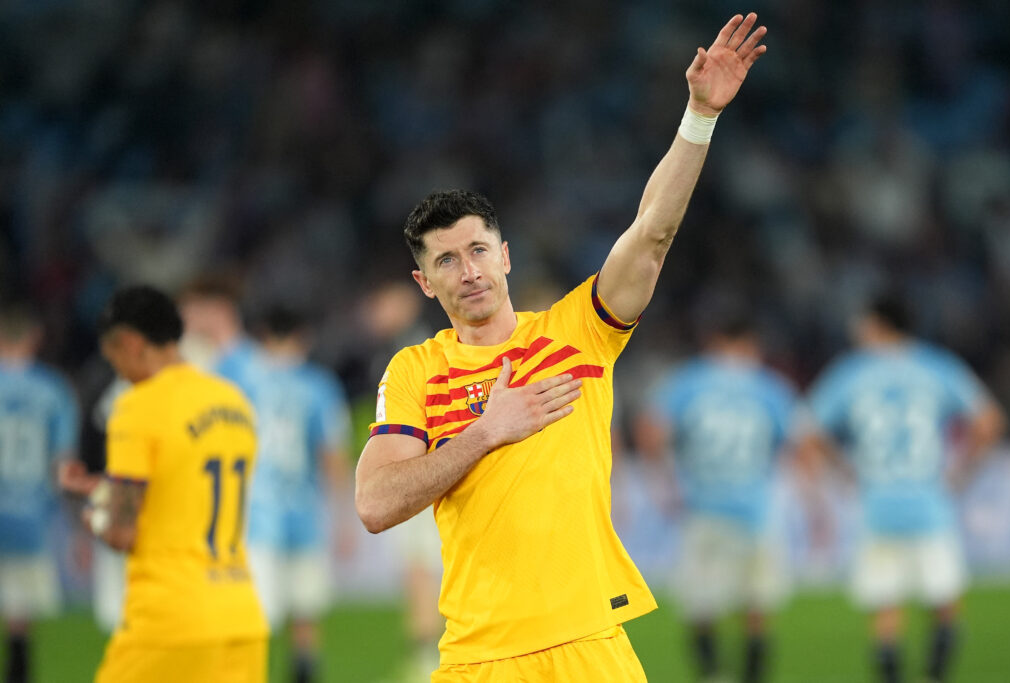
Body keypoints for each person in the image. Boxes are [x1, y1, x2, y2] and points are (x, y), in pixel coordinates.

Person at [354, 13, 768, 681]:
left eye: (479, 250)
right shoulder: (415, 369)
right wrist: (485, 432)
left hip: (587, 645)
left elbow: (651, 234)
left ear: (506, 255)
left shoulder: (578, 331)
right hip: (477, 657)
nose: (470, 271)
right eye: (447, 261)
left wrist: (699, 116)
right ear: (423, 282)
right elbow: (375, 504)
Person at [58, 285, 268, 683]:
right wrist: (105, 487)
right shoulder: (232, 402)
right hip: (241, 618)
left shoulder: (137, 407)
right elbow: (185, 487)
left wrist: (93, 515)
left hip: (171, 622)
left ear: (132, 343)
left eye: (113, 356)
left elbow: (121, 531)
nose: (117, 370)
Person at [802, 293, 1006, 683]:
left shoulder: (852, 372)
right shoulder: (937, 366)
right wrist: (961, 472)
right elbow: (989, 422)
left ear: (877, 323)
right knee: (945, 604)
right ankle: (935, 676)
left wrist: (845, 470)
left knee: (886, 611)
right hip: (930, 501)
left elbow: (808, 434)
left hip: (878, 504)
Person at [640, 308, 799, 683]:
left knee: (701, 605)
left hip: (703, 508)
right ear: (751, 344)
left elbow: (650, 431)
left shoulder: (689, 381)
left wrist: (666, 478)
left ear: (715, 342)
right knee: (757, 606)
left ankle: (713, 674)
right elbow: (800, 440)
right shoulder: (769, 386)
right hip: (754, 510)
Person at [244, 305, 352, 683]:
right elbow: (332, 456)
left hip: (255, 517)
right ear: (303, 337)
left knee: (254, 620)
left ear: (263, 335)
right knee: (306, 615)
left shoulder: (245, 382)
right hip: (305, 514)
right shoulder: (319, 386)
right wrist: (342, 517)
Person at [0, 303, 79, 683]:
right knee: (20, 606)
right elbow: (62, 462)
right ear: (34, 338)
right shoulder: (53, 389)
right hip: (32, 508)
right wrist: (74, 524)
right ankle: (18, 673)